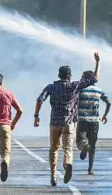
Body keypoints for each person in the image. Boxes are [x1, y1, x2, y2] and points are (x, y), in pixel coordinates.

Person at [34, 52, 100, 187]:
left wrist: (36, 116)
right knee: (68, 148)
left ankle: (53, 176)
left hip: (54, 123)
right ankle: (68, 164)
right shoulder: (73, 86)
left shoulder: (51, 87)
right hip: (69, 123)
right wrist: (98, 62)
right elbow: (93, 79)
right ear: (69, 76)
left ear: (59, 75)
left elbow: (40, 100)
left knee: (54, 148)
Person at [76, 70, 111, 175]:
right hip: (94, 121)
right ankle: (90, 169)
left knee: (80, 141)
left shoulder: (80, 90)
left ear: (85, 78)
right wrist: (105, 115)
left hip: (82, 120)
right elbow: (109, 103)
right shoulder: (99, 90)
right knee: (93, 145)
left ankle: (84, 148)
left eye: (82, 77)